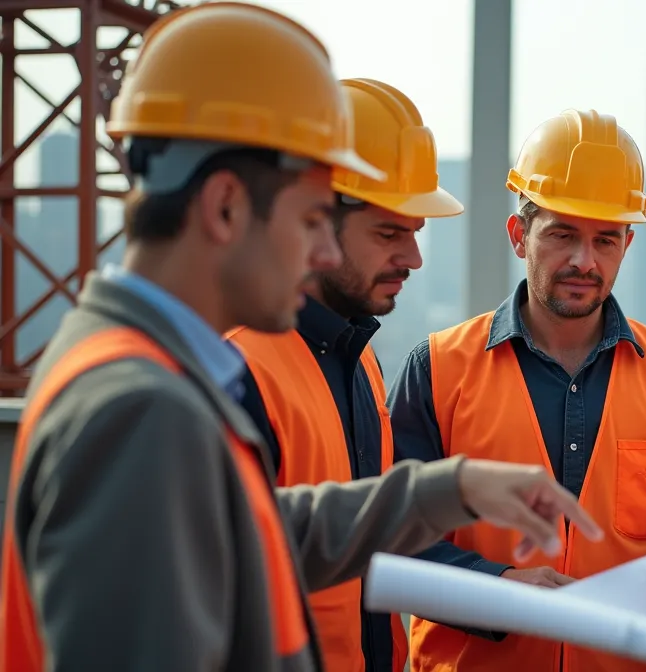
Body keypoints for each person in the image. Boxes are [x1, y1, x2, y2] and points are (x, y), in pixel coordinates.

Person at [0, 5, 600, 671]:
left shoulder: (141, 372)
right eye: (313, 218)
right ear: (225, 206)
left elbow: (254, 530)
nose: (320, 253)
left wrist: (449, 487)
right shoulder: (143, 412)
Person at [387, 108, 646, 672]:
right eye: (562, 234)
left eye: (605, 240)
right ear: (519, 235)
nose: (583, 261)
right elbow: (393, 535)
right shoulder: (439, 367)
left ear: (628, 245)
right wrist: (497, 590)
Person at [227, 77, 464, 672]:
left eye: (414, 234)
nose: (412, 259)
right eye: (389, 233)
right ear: (314, 221)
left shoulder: (362, 360)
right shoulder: (236, 366)